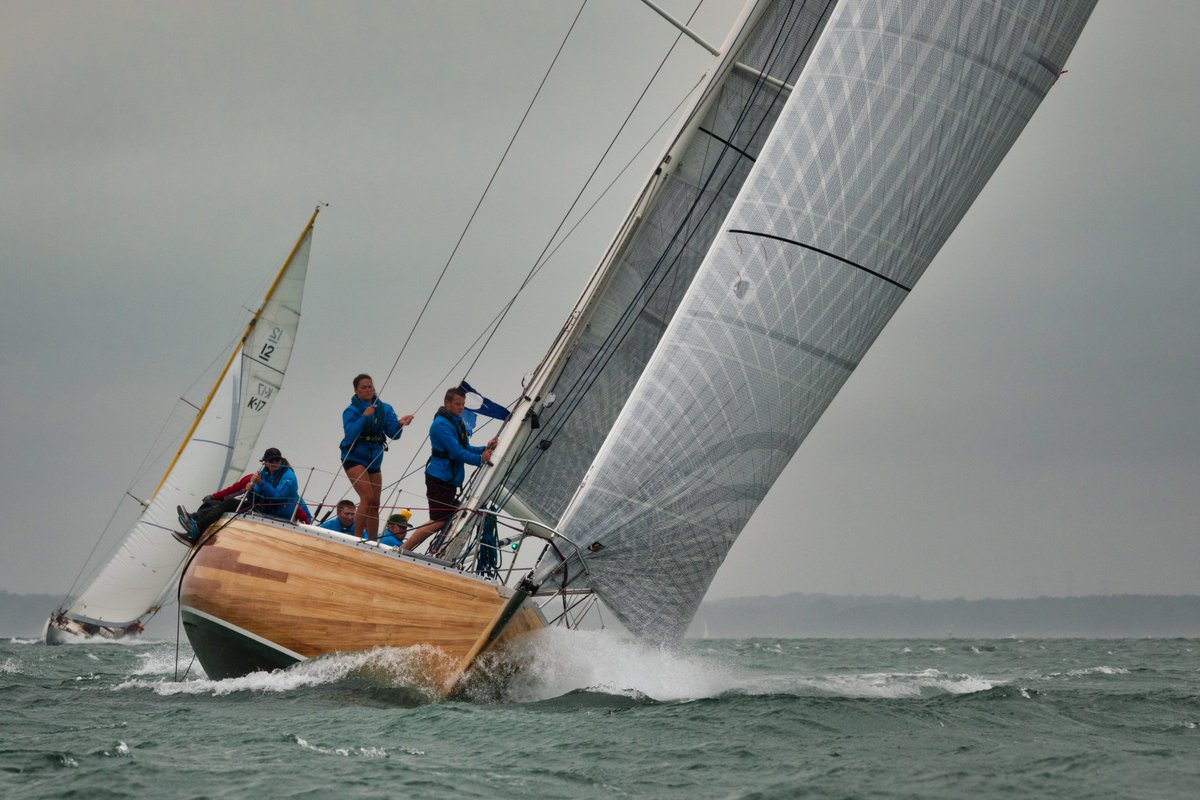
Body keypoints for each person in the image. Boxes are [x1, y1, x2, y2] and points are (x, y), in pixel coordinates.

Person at [403, 387, 497, 553]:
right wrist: (480, 459)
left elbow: (465, 447)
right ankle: (404, 548)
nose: (461, 407)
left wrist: (485, 448)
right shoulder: (440, 424)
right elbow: (456, 452)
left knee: (445, 518)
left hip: (449, 479)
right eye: (457, 404)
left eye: (463, 404)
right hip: (438, 478)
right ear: (447, 403)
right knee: (438, 520)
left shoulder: (457, 421)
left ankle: (425, 549)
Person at [339, 373, 414, 541]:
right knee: (367, 497)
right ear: (356, 390)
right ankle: (357, 538)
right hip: (354, 456)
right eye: (363, 387)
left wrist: (400, 424)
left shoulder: (385, 408)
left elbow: (394, 434)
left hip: (374, 458)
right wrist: (364, 417)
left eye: (370, 387)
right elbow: (350, 434)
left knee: (375, 503)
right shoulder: (350, 411)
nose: (368, 390)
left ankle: (372, 541)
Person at [177, 447, 304, 540]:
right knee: (217, 503)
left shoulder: (289, 477)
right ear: (265, 462)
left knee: (229, 503)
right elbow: (255, 492)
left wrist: (260, 483)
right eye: (271, 460)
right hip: (263, 507)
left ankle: (196, 528)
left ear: (281, 461)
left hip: (276, 511)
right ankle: (194, 522)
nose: (275, 463)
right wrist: (252, 489)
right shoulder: (263, 472)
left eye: (277, 460)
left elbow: (277, 498)